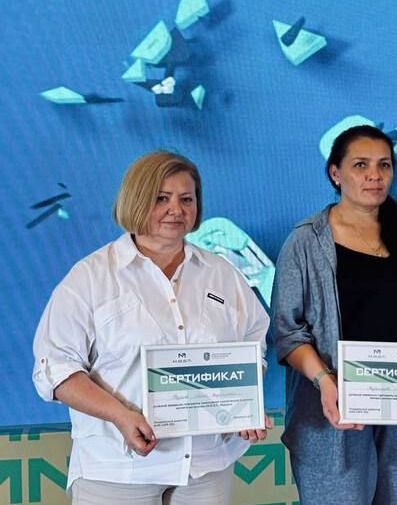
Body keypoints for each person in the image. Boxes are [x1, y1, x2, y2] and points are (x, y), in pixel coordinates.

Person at [32, 151, 270, 505]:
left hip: (206, 466)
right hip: (118, 468)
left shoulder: (223, 274)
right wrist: (120, 415)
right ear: (136, 199)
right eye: (162, 198)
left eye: (186, 199)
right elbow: (55, 369)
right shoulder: (90, 278)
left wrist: (244, 404)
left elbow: (253, 344)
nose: (176, 209)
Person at [271, 125, 397, 505]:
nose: (374, 175)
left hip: (395, 398)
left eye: (384, 165)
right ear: (335, 173)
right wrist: (324, 380)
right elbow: (288, 331)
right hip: (331, 407)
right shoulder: (305, 241)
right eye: (360, 165)